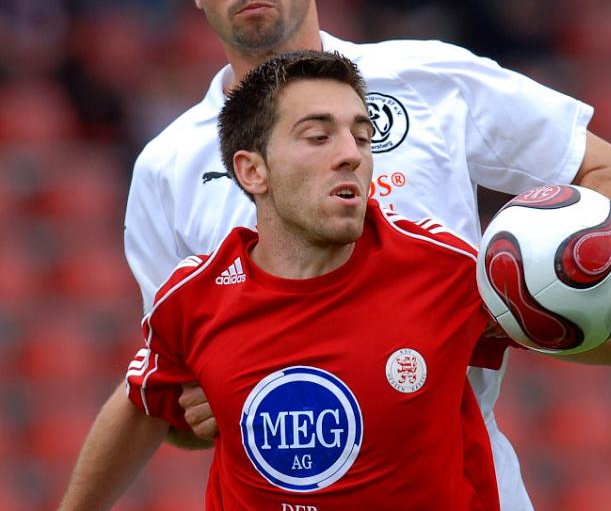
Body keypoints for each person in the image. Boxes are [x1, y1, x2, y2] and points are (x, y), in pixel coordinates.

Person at [117, 0, 611, 511]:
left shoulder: (430, 80)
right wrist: (191, 414)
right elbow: (174, 391)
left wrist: (546, 284)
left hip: (462, 473)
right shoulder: (166, 170)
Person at [60, 50, 515, 510]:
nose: (351, 155)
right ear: (252, 171)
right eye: (318, 137)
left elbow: (578, 337)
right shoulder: (193, 297)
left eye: (362, 137)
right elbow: (144, 405)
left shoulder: (450, 270)